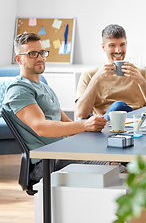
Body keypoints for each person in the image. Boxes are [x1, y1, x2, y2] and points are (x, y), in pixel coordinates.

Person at [2, 32, 109, 182]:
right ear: (18, 59)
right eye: (32, 54)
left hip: (64, 151)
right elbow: (41, 127)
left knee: (118, 153)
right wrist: (85, 124)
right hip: (47, 161)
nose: (40, 58)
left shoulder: (45, 88)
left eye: (42, 53)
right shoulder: (18, 89)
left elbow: (67, 124)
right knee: (115, 165)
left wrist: (97, 128)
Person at [75, 24, 146, 119]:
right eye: (112, 45)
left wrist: (141, 81)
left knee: (120, 106)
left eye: (122, 44)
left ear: (126, 44)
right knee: (118, 106)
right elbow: (81, 114)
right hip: (106, 127)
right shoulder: (90, 75)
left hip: (137, 125)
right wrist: (96, 79)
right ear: (103, 47)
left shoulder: (141, 73)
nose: (118, 50)